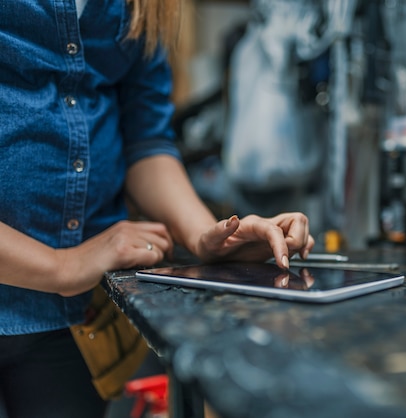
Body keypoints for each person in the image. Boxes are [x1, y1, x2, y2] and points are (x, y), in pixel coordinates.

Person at [0, 0, 315, 417]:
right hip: (66, 280)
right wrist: (61, 266)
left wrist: (206, 235)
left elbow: (145, 140)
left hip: (69, 318)